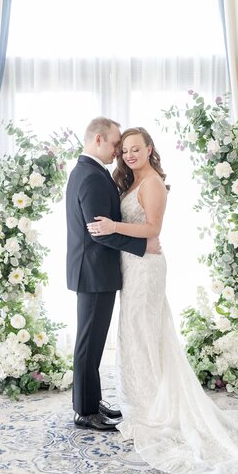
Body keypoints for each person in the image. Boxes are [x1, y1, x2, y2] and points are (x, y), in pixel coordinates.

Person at [86, 127, 238, 474]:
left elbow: (153, 229)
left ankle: (155, 411)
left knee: (146, 334)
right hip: (131, 266)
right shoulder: (131, 181)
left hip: (147, 268)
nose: (129, 155)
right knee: (134, 334)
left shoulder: (152, 184)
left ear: (149, 149)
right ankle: (143, 405)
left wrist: (114, 224)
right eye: (125, 151)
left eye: (136, 149)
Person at [66, 117, 161, 432]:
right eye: (116, 143)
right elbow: (99, 232)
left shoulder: (90, 172)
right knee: (88, 344)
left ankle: (90, 402)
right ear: (98, 140)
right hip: (94, 273)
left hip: (97, 271)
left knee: (92, 343)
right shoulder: (91, 176)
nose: (119, 150)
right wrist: (142, 245)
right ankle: (84, 411)